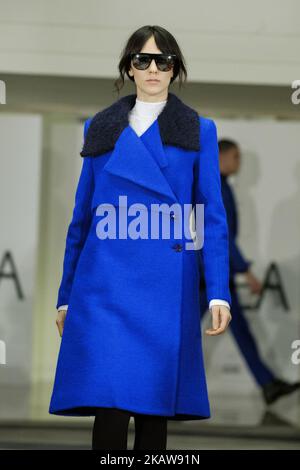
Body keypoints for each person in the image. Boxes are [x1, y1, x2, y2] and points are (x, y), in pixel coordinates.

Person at [49, 25, 232, 450]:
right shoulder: (100, 127)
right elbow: (82, 220)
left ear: (174, 70)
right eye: (142, 60)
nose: (153, 68)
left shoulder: (198, 130)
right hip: (103, 287)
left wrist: (218, 293)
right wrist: (66, 296)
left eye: (163, 60)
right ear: (129, 69)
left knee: (153, 407)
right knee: (109, 405)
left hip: (163, 287)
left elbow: (212, 218)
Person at [198, 139, 300, 406]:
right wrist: (245, 271)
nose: (239, 164)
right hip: (209, 276)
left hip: (213, 273)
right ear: (221, 156)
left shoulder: (219, 186)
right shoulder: (216, 186)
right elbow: (221, 235)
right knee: (184, 333)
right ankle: (156, 387)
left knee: (238, 329)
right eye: (236, 157)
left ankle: (267, 384)